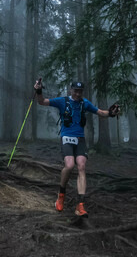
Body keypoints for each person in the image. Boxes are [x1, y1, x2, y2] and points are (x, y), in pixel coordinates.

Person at [33, 78, 119, 217]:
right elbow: (42, 101)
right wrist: (38, 90)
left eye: (80, 91)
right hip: (66, 138)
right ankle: (61, 195)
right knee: (69, 165)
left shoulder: (85, 103)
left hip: (80, 140)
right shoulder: (63, 101)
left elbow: (101, 113)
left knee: (82, 166)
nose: (78, 94)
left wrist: (111, 113)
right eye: (76, 91)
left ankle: (80, 205)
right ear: (71, 90)